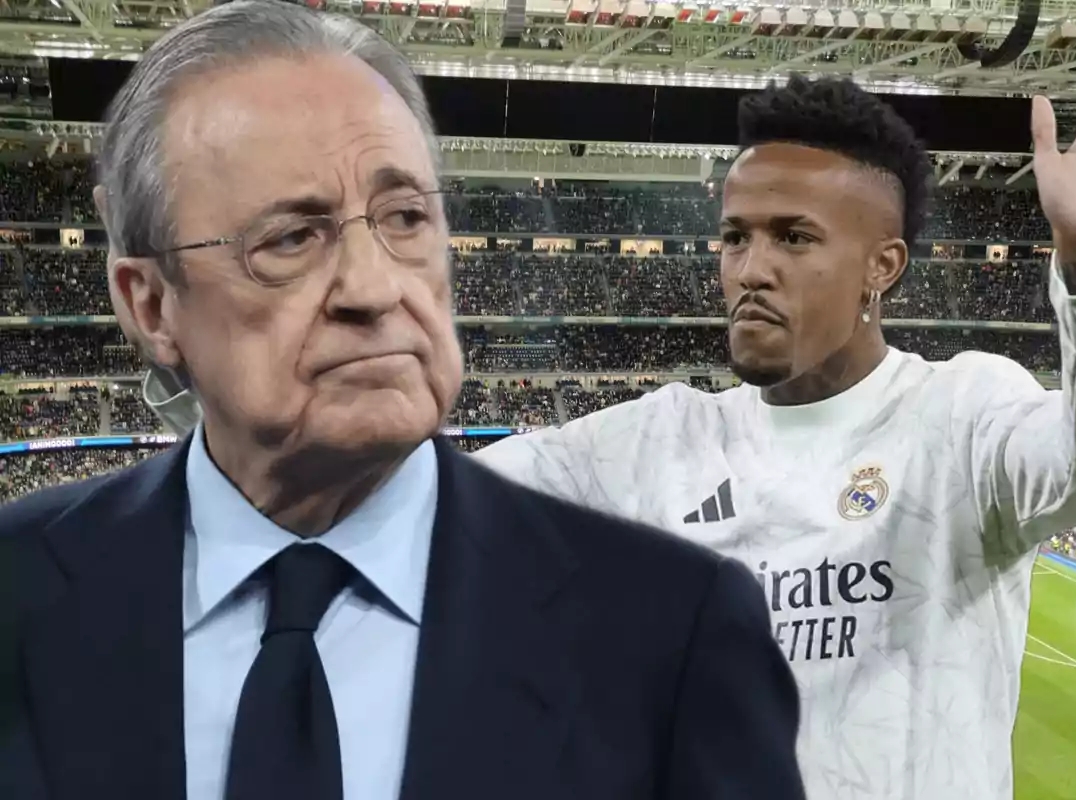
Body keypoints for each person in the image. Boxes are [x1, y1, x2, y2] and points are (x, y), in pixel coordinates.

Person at [137, 46, 1076, 800]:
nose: (749, 267)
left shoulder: (959, 412)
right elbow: (422, 497)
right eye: (734, 235)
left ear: (883, 267)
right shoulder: (653, 442)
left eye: (793, 237)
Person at [0, 3, 808, 800]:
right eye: (290, 238)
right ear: (149, 305)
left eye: (406, 218)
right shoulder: (18, 589)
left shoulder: (671, 629)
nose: (375, 287)